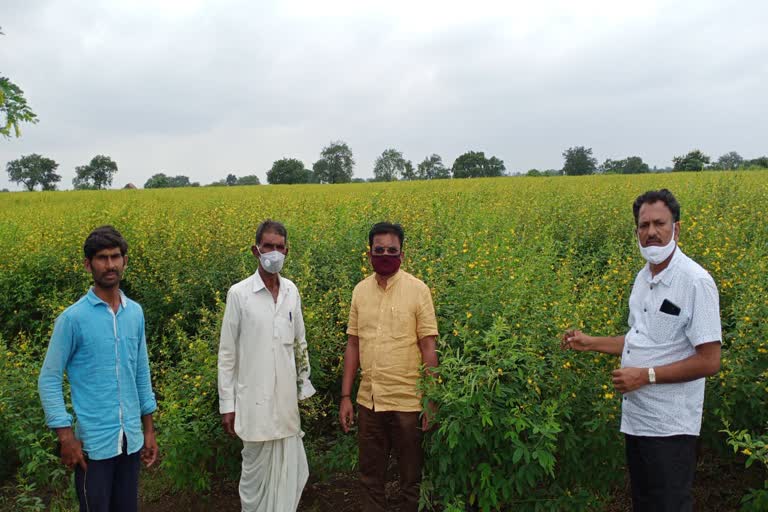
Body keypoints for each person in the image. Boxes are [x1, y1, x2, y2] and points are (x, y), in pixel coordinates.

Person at [562, 189, 721, 512]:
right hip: (637, 420)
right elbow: (640, 340)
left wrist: (645, 376)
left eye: (659, 224)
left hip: (671, 425)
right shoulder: (642, 278)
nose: (651, 232)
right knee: (645, 503)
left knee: (669, 504)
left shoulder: (695, 282)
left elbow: (710, 360)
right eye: (643, 225)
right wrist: (590, 342)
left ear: (676, 228)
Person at [38, 225, 158, 512]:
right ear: (88, 264)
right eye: (102, 258)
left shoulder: (135, 313)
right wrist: (66, 437)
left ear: (125, 261)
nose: (110, 264)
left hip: (130, 440)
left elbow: (141, 371)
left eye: (116, 257)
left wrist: (149, 430)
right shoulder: (72, 319)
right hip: (93, 445)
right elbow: (49, 379)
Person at [339, 221, 439, 512]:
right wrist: (346, 397)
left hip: (409, 401)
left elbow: (428, 347)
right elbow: (353, 345)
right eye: (379, 250)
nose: (385, 255)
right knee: (370, 478)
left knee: (411, 479)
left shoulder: (418, 290)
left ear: (402, 255)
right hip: (369, 402)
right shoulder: (360, 292)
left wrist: (431, 398)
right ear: (369, 253)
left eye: (391, 250)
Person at [218, 219, 316, 512]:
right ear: (255, 250)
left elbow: (300, 343)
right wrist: (227, 404)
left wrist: (303, 386)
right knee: (253, 480)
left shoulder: (291, 291)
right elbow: (227, 353)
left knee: (291, 472)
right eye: (268, 246)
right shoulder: (239, 294)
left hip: (286, 404)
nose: (274, 252)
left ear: (287, 251)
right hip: (253, 405)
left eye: (279, 247)